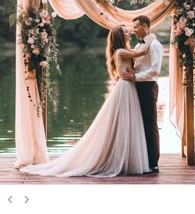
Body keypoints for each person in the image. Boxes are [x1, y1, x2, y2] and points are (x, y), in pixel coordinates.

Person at [20, 25, 153, 177]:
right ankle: (118, 158)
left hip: (128, 86)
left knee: (127, 122)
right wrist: (151, 38)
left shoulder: (123, 51)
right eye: (126, 31)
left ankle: (125, 157)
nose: (129, 32)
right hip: (125, 88)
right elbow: (140, 52)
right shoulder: (121, 51)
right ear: (120, 37)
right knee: (123, 122)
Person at [120, 15, 163, 173]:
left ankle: (153, 162)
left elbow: (155, 70)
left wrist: (135, 77)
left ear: (145, 26)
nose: (133, 29)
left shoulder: (155, 45)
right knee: (139, 123)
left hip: (148, 87)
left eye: (136, 26)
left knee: (150, 124)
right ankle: (142, 159)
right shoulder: (138, 46)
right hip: (137, 87)